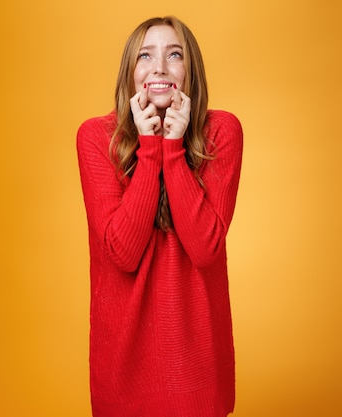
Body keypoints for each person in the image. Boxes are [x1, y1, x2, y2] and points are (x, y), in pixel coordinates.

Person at [77, 16, 243, 417]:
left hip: (197, 370)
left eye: (174, 55)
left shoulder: (222, 131)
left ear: (190, 72)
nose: (160, 69)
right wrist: (149, 149)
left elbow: (204, 247)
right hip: (124, 371)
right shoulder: (96, 138)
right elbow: (123, 253)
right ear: (130, 72)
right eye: (145, 56)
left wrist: (173, 147)